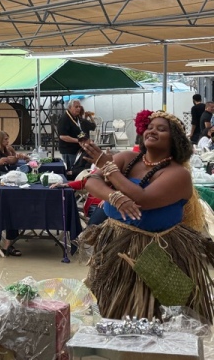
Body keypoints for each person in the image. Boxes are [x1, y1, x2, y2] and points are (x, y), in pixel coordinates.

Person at [79, 110, 214, 322]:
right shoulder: (127, 158)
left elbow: (142, 199)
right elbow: (91, 181)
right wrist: (114, 196)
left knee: (154, 317)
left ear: (175, 139)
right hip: (115, 244)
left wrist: (109, 169)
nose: (152, 131)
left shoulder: (178, 174)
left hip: (156, 250)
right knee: (110, 310)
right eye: (149, 127)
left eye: (161, 129)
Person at [57, 99, 84, 170]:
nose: (78, 108)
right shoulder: (64, 119)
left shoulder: (76, 117)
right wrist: (78, 140)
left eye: (79, 107)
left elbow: (78, 130)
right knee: (71, 170)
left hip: (76, 149)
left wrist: (83, 138)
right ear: (69, 108)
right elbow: (63, 136)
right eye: (76, 107)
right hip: (68, 150)